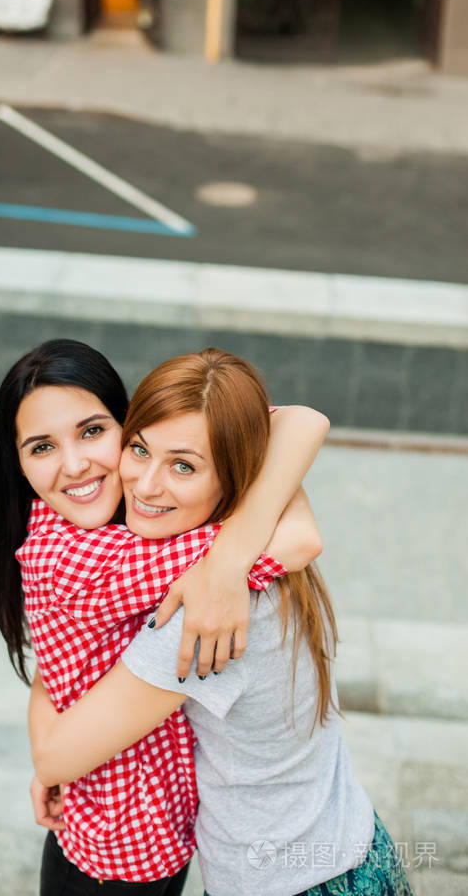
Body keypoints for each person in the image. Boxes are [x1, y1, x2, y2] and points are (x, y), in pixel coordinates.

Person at [28, 349, 414, 896]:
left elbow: (56, 755)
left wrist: (45, 688)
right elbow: (299, 423)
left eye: (183, 465)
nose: (145, 485)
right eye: (139, 449)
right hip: (353, 848)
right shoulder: (249, 547)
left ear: (234, 476)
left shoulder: (205, 617)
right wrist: (229, 558)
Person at [0, 340, 329, 895]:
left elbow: (301, 421)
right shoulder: (95, 559)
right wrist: (225, 564)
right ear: (17, 462)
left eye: (94, 432)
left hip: (143, 834)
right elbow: (300, 535)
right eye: (42, 447)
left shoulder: (72, 522)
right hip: (117, 858)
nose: (74, 465)